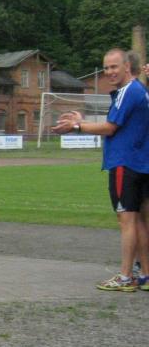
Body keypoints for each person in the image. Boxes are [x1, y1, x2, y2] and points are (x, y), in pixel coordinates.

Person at [53, 48, 149, 291]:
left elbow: (110, 127)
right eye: (106, 68)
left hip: (125, 163)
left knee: (127, 220)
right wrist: (82, 121)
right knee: (139, 221)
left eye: (114, 66)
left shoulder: (129, 91)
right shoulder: (139, 90)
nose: (109, 72)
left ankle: (125, 277)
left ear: (127, 66)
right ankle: (145, 275)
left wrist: (77, 126)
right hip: (139, 162)